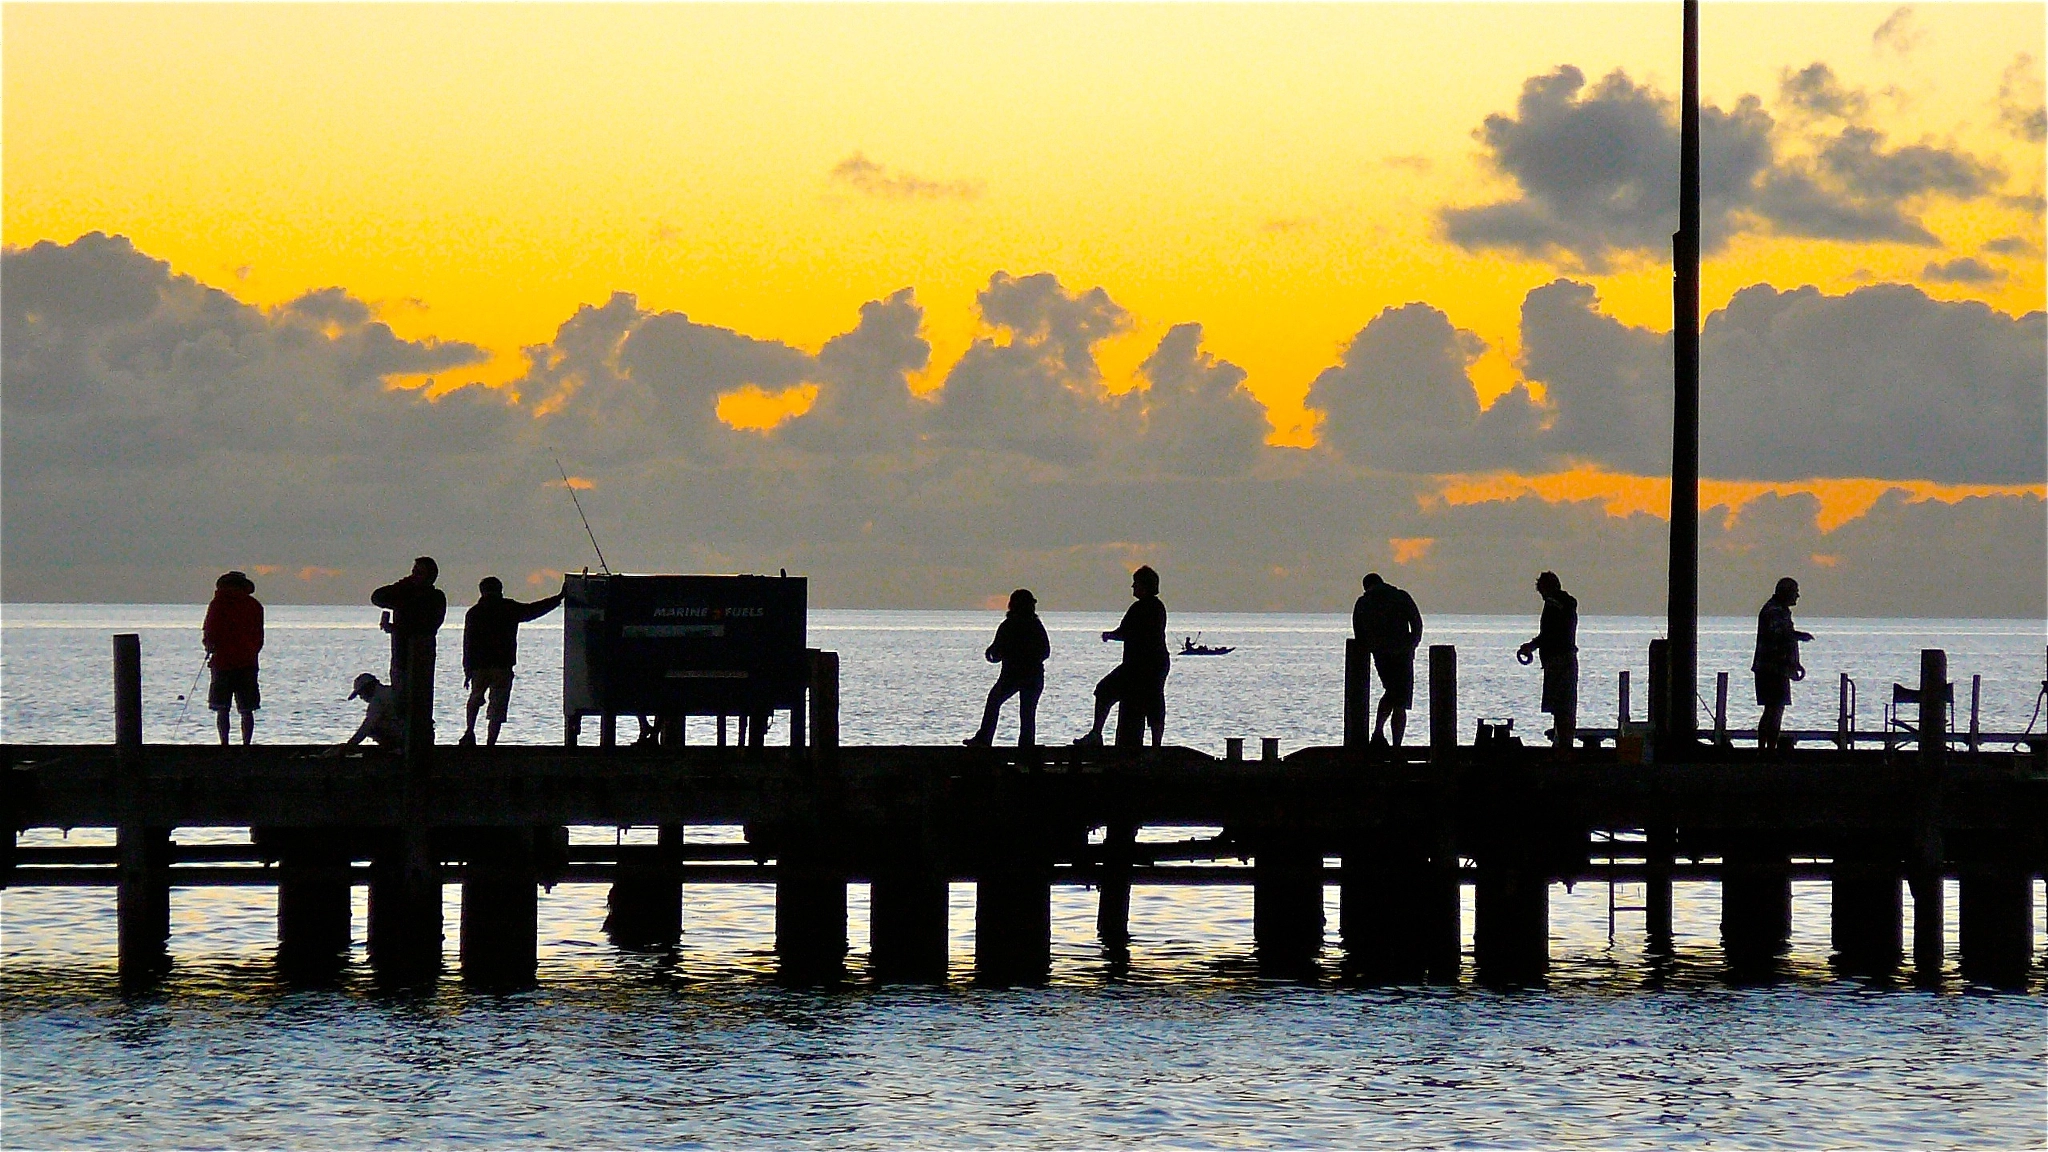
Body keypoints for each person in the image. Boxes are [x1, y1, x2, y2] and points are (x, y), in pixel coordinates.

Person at [460, 576, 564, 746]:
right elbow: (533, 610)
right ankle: (490, 744)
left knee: (475, 698)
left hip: (480, 667)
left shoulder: (474, 612)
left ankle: (469, 732)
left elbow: (468, 643)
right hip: (502, 666)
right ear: (500, 590)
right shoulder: (508, 608)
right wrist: (558, 599)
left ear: (482, 591)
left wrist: (467, 670)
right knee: (498, 707)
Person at [1076, 566, 1169, 748]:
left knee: (1104, 690)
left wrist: (1109, 635)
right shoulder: (1157, 607)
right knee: (1154, 701)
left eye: (1136, 583)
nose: (1133, 587)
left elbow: (1127, 632)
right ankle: (1156, 745)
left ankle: (1097, 733)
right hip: (1155, 663)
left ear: (1144, 586)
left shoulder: (1142, 607)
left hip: (1141, 665)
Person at [965, 589, 1051, 747]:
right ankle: (1026, 746)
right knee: (1027, 713)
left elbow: (996, 653)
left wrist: (995, 654)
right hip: (1034, 676)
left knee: (994, 701)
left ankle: (984, 738)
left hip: (1013, 676)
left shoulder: (1008, 626)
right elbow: (1046, 652)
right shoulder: (1035, 625)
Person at [1353, 572, 1423, 747]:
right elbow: (1417, 623)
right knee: (1400, 699)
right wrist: (1412, 644)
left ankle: (1379, 733)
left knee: (1393, 693)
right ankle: (1394, 745)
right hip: (1402, 654)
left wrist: (1370, 648)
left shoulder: (1363, 603)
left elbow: (1359, 633)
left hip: (1381, 654)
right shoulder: (1400, 596)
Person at [1516, 571, 1579, 750]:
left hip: (1558, 661)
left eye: (1542, 590)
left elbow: (1549, 634)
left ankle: (1563, 745)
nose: (1541, 595)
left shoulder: (1554, 605)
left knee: (1560, 707)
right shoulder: (1567, 604)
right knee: (1565, 705)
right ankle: (1563, 742)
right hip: (1566, 659)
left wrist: (1531, 646)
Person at [371, 556, 447, 704]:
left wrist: (397, 628)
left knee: (417, 699)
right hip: (402, 655)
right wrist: (404, 585)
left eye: (419, 573)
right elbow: (377, 597)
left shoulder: (434, 597)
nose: (414, 576)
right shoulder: (404, 593)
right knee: (401, 697)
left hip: (421, 656)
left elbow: (427, 626)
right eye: (414, 572)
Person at [201, 571, 264, 746]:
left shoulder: (218, 604)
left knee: (222, 709)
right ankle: (246, 745)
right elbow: (258, 636)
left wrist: (209, 646)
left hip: (222, 663)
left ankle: (224, 744)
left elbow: (209, 630)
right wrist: (251, 652)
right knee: (247, 709)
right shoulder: (254, 605)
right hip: (247, 663)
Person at [1753, 576, 1814, 751]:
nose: (1797, 596)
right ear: (1786, 593)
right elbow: (1780, 636)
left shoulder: (1779, 610)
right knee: (1774, 710)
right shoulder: (1774, 611)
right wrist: (1799, 636)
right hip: (1772, 669)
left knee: (1773, 710)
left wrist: (1795, 662)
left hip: (1776, 668)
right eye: (1795, 592)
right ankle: (1767, 750)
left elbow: (1784, 638)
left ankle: (1766, 749)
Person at [344, 672, 403, 748]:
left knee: (373, 728)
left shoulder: (378, 700)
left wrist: (349, 745)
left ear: (368, 688)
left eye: (361, 693)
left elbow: (367, 726)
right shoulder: (387, 691)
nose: (361, 698)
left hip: (401, 733)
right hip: (402, 728)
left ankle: (391, 748)